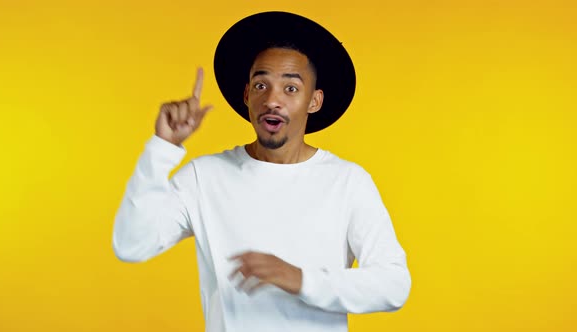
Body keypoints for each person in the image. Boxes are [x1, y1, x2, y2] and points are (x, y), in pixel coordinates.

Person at [112, 11, 411, 332]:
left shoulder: (348, 182)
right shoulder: (206, 177)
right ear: (246, 96)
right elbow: (132, 244)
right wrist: (163, 148)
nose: (272, 100)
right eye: (260, 84)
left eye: (291, 89)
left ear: (314, 101)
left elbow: (393, 284)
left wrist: (299, 278)